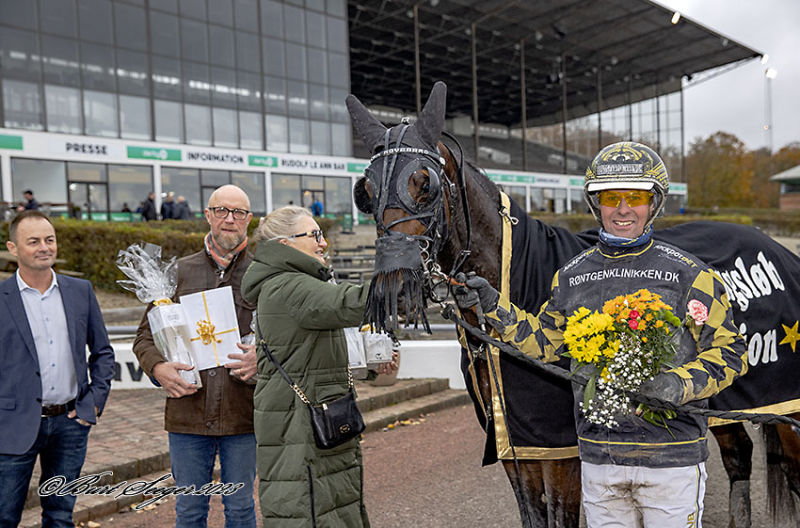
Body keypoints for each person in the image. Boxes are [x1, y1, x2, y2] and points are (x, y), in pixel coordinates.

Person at [454, 142, 747, 528]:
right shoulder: (571, 276)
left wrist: (677, 384)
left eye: (636, 197)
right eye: (611, 197)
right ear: (596, 203)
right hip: (599, 461)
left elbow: (731, 354)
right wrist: (492, 305)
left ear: (654, 202)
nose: (623, 209)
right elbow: (545, 342)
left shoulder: (692, 275)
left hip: (670, 462)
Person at [241, 205, 397, 527]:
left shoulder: (293, 283)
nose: (323, 242)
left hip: (312, 427)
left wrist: (368, 367)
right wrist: (399, 273)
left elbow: (313, 359)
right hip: (302, 434)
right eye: (314, 235)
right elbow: (349, 303)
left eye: (321, 234)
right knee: (311, 513)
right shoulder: (288, 286)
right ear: (285, 245)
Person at [133, 184, 259, 528]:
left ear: (249, 220)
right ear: (207, 215)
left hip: (244, 414)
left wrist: (261, 359)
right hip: (188, 413)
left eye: (238, 213)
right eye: (222, 210)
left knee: (241, 508)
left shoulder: (264, 273)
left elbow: (286, 336)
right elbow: (144, 337)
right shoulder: (177, 273)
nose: (229, 219)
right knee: (189, 510)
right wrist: (158, 368)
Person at [0, 210, 114, 528]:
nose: (44, 247)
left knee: (61, 516)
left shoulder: (80, 291)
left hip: (69, 425)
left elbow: (103, 352)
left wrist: (93, 402)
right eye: (33, 241)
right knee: (4, 517)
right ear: (13, 248)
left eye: (49, 239)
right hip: (11, 426)